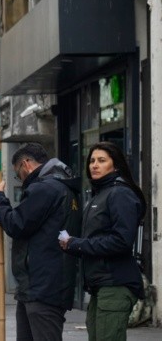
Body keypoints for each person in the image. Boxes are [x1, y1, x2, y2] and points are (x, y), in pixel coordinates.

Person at [0, 142, 81, 341]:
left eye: (17, 174)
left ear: (25, 164)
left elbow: (16, 224)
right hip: (40, 286)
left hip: (42, 287)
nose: (20, 179)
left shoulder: (46, 188)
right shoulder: (62, 187)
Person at [60, 141, 147, 341]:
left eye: (101, 160)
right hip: (101, 286)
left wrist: (78, 244)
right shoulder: (100, 195)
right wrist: (72, 244)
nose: (94, 165)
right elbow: (97, 239)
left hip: (115, 284)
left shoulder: (120, 193)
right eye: (91, 161)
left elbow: (121, 240)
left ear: (115, 165)